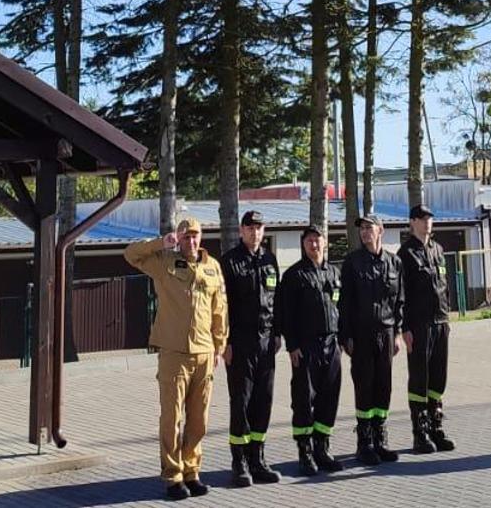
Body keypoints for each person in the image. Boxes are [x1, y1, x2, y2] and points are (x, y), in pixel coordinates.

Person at [124, 218, 229, 501]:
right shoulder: (164, 262)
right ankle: (173, 476)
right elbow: (131, 255)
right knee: (172, 418)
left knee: (199, 420)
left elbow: (219, 309)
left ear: (201, 238)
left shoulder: (212, 266)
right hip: (173, 353)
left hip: (204, 352)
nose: (190, 241)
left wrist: (219, 345)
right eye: (185, 237)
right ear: (179, 239)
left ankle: (192, 471)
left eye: (194, 236)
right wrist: (162, 242)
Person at [277, 226, 347, 476]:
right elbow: (285, 313)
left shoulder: (334, 272)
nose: (314, 245)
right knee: (304, 400)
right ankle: (305, 452)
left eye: (317, 240)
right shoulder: (294, 275)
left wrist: (342, 340)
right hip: (306, 346)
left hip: (332, 344)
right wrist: (292, 345)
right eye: (309, 241)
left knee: (330, 398)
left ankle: (322, 448)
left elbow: (342, 308)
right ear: (303, 244)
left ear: (325, 242)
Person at [219, 210, 282, 487]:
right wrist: (226, 342)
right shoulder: (230, 261)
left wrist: (277, 334)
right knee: (241, 402)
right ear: (241, 231)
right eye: (250, 228)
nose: (254, 232)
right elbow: (222, 306)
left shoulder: (270, 260)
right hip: (241, 343)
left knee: (263, 401)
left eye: (258, 227)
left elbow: (276, 301)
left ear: (263, 231)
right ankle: (239, 462)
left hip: (266, 342)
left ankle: (258, 458)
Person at [339, 213, 404, 465]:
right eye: (362, 228)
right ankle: (364, 442)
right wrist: (346, 336)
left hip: (386, 332)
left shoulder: (394, 262)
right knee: (364, 385)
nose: (365, 232)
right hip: (362, 334)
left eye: (369, 228)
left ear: (381, 231)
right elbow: (345, 302)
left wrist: (397, 333)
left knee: (383, 386)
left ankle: (380, 439)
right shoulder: (352, 262)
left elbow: (399, 301)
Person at [397, 203, 455, 453]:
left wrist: (447, 318)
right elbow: (401, 294)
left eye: (429, 217)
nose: (427, 222)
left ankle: (436, 426)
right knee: (420, 378)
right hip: (418, 326)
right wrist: (405, 328)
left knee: (438, 377)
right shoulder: (405, 254)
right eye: (421, 218)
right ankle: (420, 432)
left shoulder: (437, 249)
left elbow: (444, 286)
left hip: (440, 322)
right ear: (412, 222)